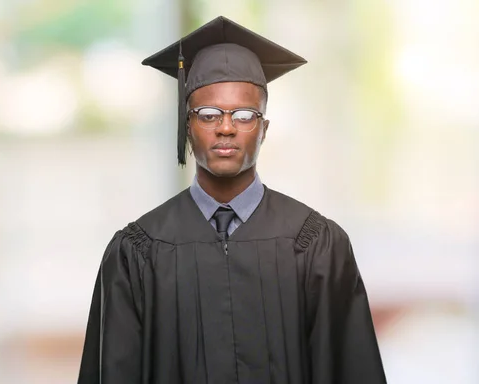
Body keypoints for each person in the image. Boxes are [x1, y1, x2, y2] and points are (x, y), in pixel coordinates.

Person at [77, 16, 387, 384]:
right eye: (208, 115)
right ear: (187, 126)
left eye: (244, 115)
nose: (226, 127)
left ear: (265, 129)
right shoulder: (137, 253)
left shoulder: (317, 246)